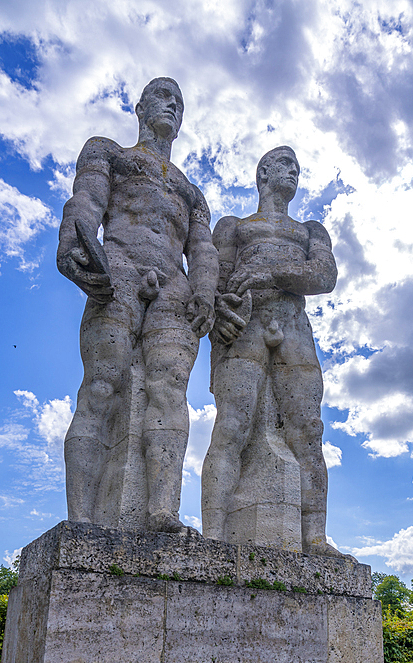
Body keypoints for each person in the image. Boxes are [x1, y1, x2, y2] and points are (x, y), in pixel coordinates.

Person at [57, 77, 218, 532]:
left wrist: (205, 291)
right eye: (163, 97)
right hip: (119, 271)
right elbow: (86, 200)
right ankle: (82, 519)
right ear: (140, 106)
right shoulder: (109, 153)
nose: (172, 106)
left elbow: (202, 249)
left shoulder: (191, 191)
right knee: (100, 387)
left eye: (179, 103)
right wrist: (74, 241)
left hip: (173, 288)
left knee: (169, 392)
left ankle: (162, 511)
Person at [201, 145, 340, 556]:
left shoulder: (312, 230)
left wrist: (270, 272)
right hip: (245, 327)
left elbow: (324, 275)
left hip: (293, 324)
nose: (294, 171)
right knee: (231, 428)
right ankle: (214, 537)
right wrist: (219, 308)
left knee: (309, 432)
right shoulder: (233, 226)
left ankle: (314, 538)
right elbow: (215, 281)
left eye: (298, 167)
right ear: (263, 172)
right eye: (285, 164)